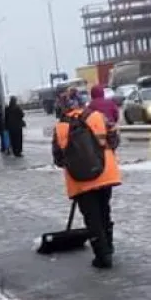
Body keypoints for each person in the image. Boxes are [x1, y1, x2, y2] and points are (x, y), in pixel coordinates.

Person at [52, 88, 122, 269]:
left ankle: (102, 254)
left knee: (92, 218)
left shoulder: (60, 127)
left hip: (79, 180)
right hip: (105, 173)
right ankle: (109, 246)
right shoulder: (98, 117)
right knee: (104, 210)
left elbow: (58, 159)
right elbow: (114, 138)